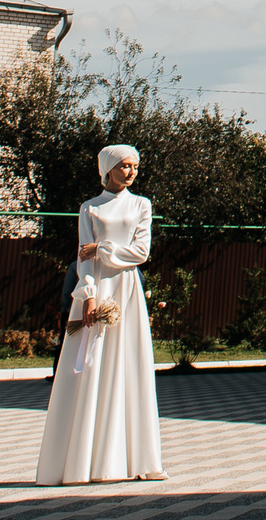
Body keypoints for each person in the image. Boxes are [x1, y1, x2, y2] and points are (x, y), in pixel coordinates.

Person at [34, 144, 166, 484]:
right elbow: (84, 258)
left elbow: (141, 252)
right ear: (107, 169)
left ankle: (136, 460)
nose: (131, 172)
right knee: (89, 368)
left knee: (129, 364)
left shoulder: (141, 205)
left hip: (127, 291)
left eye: (135, 166)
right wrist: (89, 297)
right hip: (97, 291)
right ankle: (84, 463)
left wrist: (103, 248)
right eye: (125, 166)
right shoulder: (89, 208)